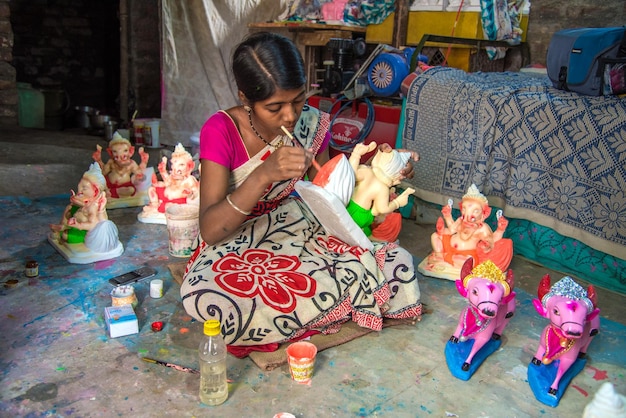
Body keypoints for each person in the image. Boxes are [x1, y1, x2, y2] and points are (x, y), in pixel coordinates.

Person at [180, 32, 422, 350]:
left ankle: (306, 312)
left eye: (298, 100)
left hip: (300, 236)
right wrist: (263, 175)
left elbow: (332, 192)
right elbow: (211, 231)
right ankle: (326, 308)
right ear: (244, 98)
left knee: (396, 263)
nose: (291, 116)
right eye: (274, 107)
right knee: (212, 299)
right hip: (236, 248)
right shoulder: (221, 130)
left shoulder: (310, 123)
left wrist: (383, 171)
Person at [138, 143, 199, 223]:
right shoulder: (172, 176)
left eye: (181, 165)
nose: (176, 168)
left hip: (180, 202)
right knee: (152, 189)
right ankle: (155, 204)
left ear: (190, 166)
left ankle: (159, 207)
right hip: (166, 198)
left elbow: (196, 194)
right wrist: (162, 173)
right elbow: (167, 182)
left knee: (171, 207)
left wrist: (190, 193)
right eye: (174, 164)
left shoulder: (189, 180)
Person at [92, 133, 149, 199]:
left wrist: (144, 162)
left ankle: (111, 193)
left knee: (131, 190)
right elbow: (103, 173)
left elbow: (139, 173)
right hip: (110, 184)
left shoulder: (132, 163)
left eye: (125, 151)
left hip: (125, 185)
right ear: (110, 153)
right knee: (100, 185)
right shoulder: (111, 162)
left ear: (130, 152)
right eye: (115, 151)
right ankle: (109, 192)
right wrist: (99, 161)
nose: (120, 154)